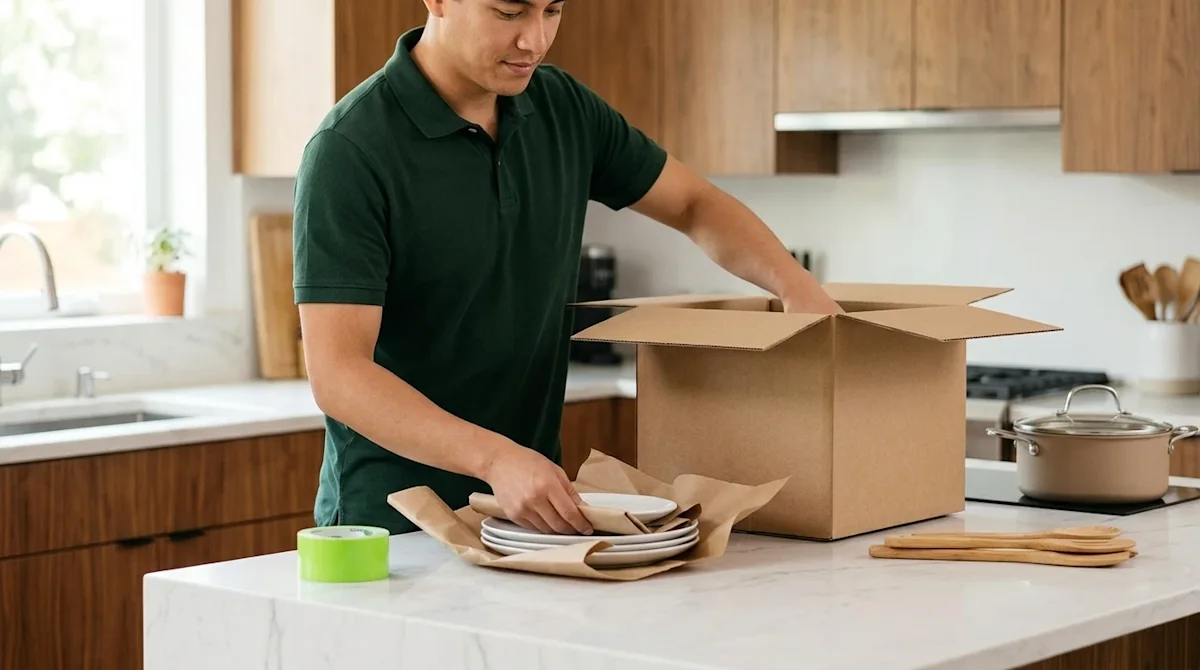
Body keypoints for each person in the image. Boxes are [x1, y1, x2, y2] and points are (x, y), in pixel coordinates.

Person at [293, 0, 843, 538]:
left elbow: (693, 204)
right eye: (509, 13)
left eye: (552, 11)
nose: (533, 39)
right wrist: (495, 459)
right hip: (395, 526)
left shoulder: (563, 109)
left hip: (529, 518)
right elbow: (340, 374)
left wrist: (796, 287)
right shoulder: (349, 150)